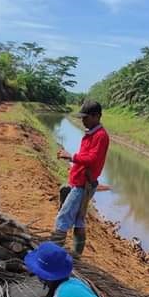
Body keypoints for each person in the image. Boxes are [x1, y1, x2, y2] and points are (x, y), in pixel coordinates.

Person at [52, 100, 109, 258]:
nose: (83, 120)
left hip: (84, 184)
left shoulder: (100, 136)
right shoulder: (91, 133)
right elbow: (86, 157)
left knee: (63, 217)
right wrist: (72, 159)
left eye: (86, 117)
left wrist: (71, 156)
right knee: (78, 219)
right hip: (80, 181)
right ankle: (76, 257)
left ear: (96, 116)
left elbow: (92, 159)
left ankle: (53, 254)